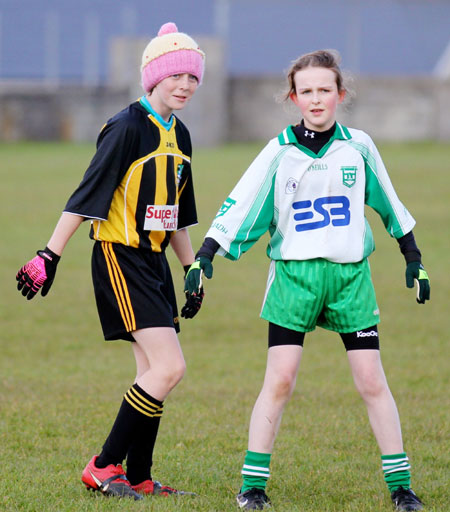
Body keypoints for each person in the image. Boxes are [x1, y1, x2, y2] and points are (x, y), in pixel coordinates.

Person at [184, 50, 430, 511]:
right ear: (293, 97)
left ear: (339, 94)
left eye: (325, 90)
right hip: (294, 278)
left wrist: (412, 257)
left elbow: (390, 203)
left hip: (350, 279)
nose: (316, 99)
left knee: (371, 381)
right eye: (306, 91)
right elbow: (242, 202)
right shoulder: (279, 151)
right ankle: (252, 487)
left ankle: (402, 489)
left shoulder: (359, 146)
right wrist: (205, 257)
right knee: (280, 379)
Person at [16, 22, 206, 501]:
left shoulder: (179, 134)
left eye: (193, 78)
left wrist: (191, 270)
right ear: (153, 77)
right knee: (168, 368)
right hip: (119, 258)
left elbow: (177, 214)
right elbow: (86, 195)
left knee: (151, 373)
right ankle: (102, 466)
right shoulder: (125, 127)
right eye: (176, 76)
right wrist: (49, 255)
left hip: (156, 262)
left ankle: (138, 475)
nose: (185, 85)